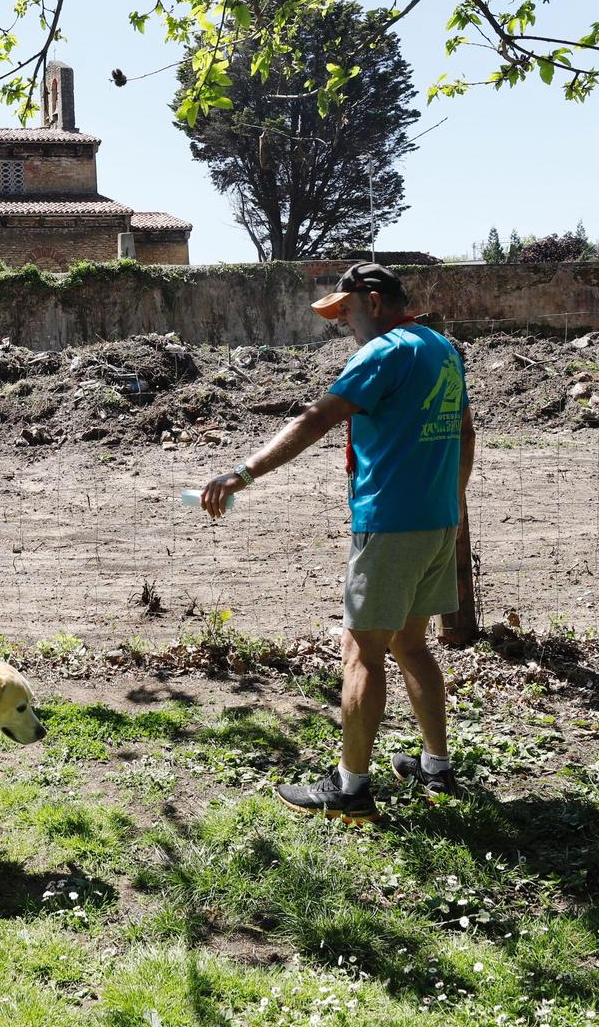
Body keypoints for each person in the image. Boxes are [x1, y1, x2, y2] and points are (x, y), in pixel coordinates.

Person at [197, 262, 474, 823]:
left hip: (390, 525)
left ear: (373, 301)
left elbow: (317, 418)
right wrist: (451, 500)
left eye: (345, 310)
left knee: (362, 650)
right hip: (438, 519)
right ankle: (436, 769)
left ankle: (350, 790)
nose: (343, 322)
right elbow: (465, 431)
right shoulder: (442, 348)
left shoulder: (384, 352)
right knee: (412, 645)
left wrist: (242, 473)